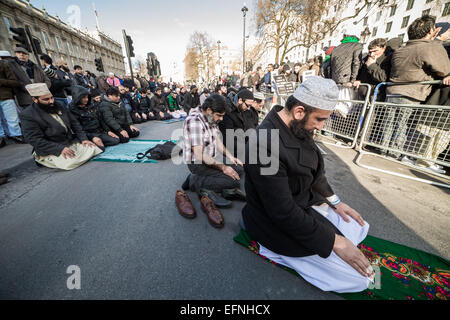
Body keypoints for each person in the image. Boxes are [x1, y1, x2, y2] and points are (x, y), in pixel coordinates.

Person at [241, 76, 375, 293]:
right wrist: (335, 242)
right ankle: (275, 251)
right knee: (360, 280)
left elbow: (315, 172)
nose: (321, 127)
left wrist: (335, 203)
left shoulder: (297, 125)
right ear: (299, 111)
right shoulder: (262, 145)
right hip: (275, 222)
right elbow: (282, 212)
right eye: (320, 119)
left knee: (359, 226)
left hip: (304, 203)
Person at [384, 15, 450, 171]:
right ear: (429, 31)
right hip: (412, 92)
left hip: (392, 90)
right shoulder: (428, 47)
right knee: (403, 126)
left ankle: (385, 151)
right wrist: (435, 42)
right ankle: (396, 155)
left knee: (388, 124)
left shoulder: (402, 48)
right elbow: (444, 69)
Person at [181, 94, 246, 209]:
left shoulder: (211, 118)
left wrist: (231, 157)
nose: (221, 119)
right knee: (233, 182)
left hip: (212, 159)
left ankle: (211, 182)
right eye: (219, 115)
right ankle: (194, 180)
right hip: (198, 164)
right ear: (209, 110)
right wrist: (223, 168)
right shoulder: (194, 121)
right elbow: (199, 155)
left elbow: (218, 142)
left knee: (239, 169)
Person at [19, 83, 102, 170]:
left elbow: (75, 124)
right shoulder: (28, 115)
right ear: (35, 100)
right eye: (46, 99)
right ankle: (45, 160)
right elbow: (34, 139)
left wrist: (83, 139)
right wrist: (59, 149)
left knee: (96, 148)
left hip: (68, 141)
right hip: (52, 147)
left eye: (51, 97)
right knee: (72, 162)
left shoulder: (59, 105)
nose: (51, 101)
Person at [69, 86, 120, 150]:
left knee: (116, 140)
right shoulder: (72, 110)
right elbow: (77, 128)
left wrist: (108, 131)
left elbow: (100, 119)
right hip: (87, 134)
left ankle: (98, 142)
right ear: (78, 98)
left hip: (98, 131)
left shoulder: (91, 105)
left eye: (87, 97)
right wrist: (92, 137)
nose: (86, 99)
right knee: (101, 148)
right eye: (84, 98)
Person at [219, 89, 255, 158]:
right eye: (247, 105)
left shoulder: (243, 110)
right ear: (240, 100)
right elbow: (228, 141)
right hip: (231, 154)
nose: (248, 108)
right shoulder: (228, 113)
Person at [0, 50, 23, 145]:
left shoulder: (3, 65)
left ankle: (17, 135)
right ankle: (1, 138)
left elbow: (15, 82)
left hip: (6, 96)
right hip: (6, 96)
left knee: (12, 119)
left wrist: (1, 81)